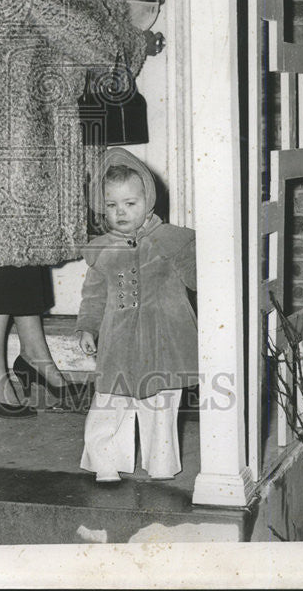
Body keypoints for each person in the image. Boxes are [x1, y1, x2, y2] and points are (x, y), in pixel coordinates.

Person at [0, 0, 165, 418]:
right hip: (8, 113)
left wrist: (120, 15)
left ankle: (32, 352)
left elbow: (70, 13)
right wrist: (125, 28)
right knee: (6, 238)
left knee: (25, 234)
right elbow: (70, 22)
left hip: (40, 109)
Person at [76, 148, 197, 481]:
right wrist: (87, 328)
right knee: (110, 400)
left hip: (163, 340)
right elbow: (94, 295)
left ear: (149, 200)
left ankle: (161, 464)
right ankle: (105, 461)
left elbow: (199, 276)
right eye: (112, 205)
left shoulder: (171, 241)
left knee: (160, 403)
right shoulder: (103, 251)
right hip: (118, 341)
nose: (121, 212)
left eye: (131, 204)